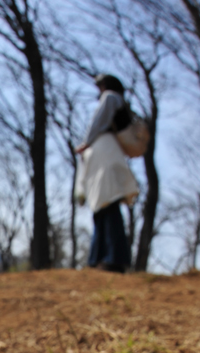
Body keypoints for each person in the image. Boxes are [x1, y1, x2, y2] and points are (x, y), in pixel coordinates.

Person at [75, 74, 139, 273]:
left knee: (107, 205)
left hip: (105, 155)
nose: (99, 90)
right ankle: (98, 258)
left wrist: (86, 142)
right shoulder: (116, 100)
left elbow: (98, 121)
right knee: (101, 209)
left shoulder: (111, 97)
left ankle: (114, 259)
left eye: (100, 85)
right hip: (103, 156)